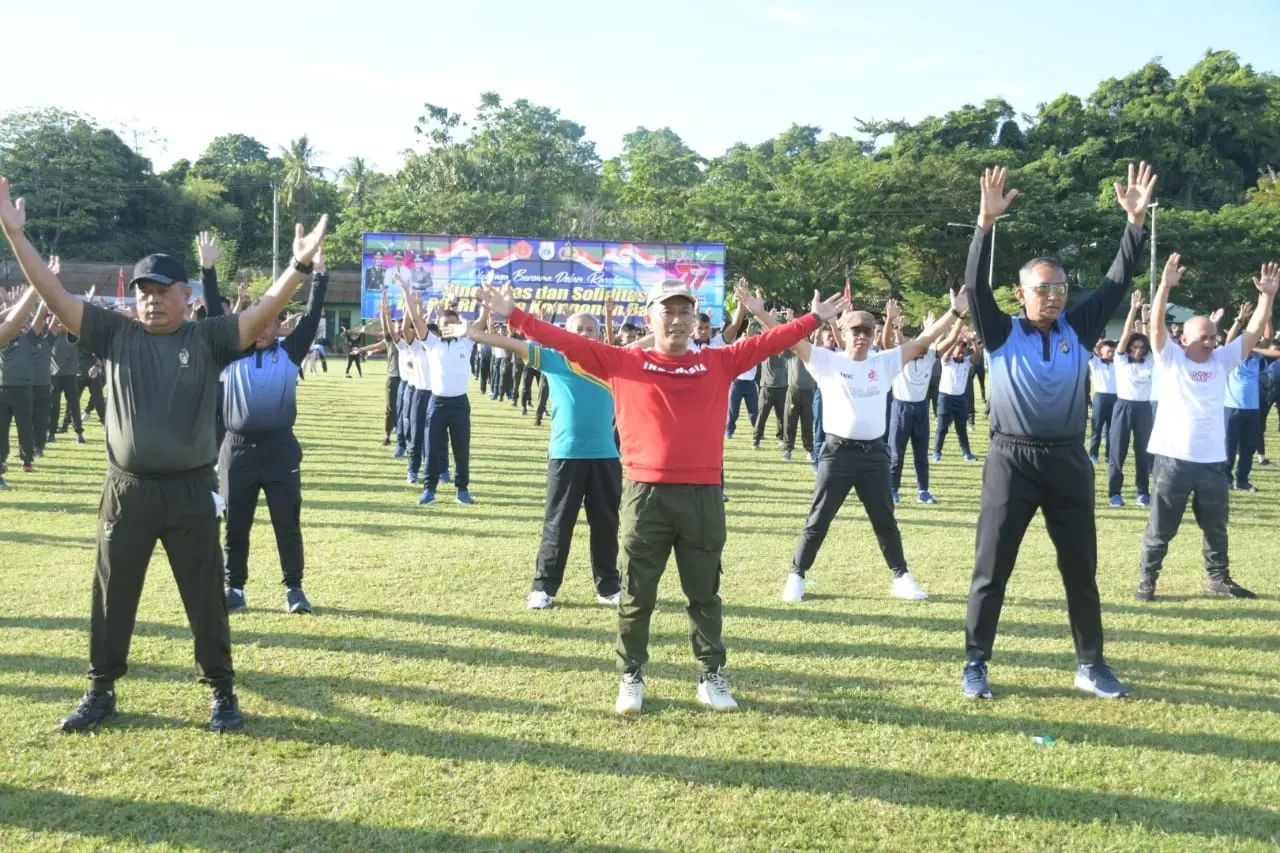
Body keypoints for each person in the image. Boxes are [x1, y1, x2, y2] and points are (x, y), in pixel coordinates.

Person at [1, 173, 328, 733]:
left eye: (163, 292)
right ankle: (101, 690)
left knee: (204, 594)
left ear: (187, 297)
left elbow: (261, 313)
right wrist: (14, 236)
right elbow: (54, 294)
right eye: (144, 292)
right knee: (112, 591)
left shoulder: (207, 339)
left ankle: (221, 691)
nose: (151, 301)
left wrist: (298, 268)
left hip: (190, 490)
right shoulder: (112, 332)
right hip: (127, 490)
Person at [476, 277, 847, 716]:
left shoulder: (719, 361)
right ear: (650, 317)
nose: (676, 319)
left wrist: (812, 319)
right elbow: (561, 340)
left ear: (695, 320)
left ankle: (710, 675)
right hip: (644, 495)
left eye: (684, 311)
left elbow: (771, 340)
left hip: (703, 495)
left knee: (704, 593)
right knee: (636, 593)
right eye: (667, 311)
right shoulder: (622, 361)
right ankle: (631, 674)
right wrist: (513, 316)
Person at [961, 163, 1156, 702]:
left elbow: (1117, 283)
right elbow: (974, 284)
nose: (1053, 297)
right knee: (991, 569)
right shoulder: (999, 332)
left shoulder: (1079, 327)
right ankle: (976, 662)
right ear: (1021, 294)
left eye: (1060, 288)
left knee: (1080, 569)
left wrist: (1134, 225)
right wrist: (984, 224)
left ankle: (1090, 664)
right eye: (1042, 289)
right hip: (1011, 460)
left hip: (1068, 461)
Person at [752, 287, 969, 604]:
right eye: (855, 330)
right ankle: (796, 576)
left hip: (874, 456)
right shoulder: (826, 360)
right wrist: (759, 311)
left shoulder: (884, 362)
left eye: (868, 330)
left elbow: (923, 341)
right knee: (819, 518)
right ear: (841, 330)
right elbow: (786, 337)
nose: (862, 336)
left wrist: (954, 313)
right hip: (837, 454)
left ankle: (901, 576)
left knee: (885, 521)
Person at [1136, 255, 1275, 600]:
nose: (1212, 343)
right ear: (1184, 339)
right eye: (1205, 338)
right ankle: (1147, 580)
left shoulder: (1222, 361)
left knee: (1216, 525)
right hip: (1173, 459)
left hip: (1212, 460)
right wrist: (1165, 287)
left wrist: (1267, 297)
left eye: (1214, 338)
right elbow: (1155, 326)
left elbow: (1254, 331)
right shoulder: (1171, 359)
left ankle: (1218, 578)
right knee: (1161, 527)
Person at [467, 309, 624, 608]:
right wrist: (478, 324)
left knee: (606, 524)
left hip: (605, 456)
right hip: (566, 456)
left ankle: (608, 587)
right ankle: (544, 587)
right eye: (579, 328)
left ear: (600, 334)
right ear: (565, 333)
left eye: (591, 330)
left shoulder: (611, 361)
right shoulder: (553, 358)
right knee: (558, 523)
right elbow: (505, 343)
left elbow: (649, 343)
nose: (586, 334)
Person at [220, 252, 329, 616]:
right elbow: (213, 318)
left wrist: (320, 277)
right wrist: (207, 270)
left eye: (271, 322)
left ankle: (294, 589)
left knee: (287, 522)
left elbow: (312, 317)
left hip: (280, 450)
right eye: (258, 322)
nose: (264, 329)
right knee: (236, 524)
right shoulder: (230, 353)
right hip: (236, 452)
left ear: (279, 325)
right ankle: (234, 588)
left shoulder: (290, 353)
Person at [401, 289, 474, 505]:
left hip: (460, 403)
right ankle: (429, 490)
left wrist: (486, 306)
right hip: (437, 403)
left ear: (459, 324)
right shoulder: (431, 343)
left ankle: (462, 490)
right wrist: (407, 293)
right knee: (432, 448)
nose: (448, 327)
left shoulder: (466, 342)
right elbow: (414, 319)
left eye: (452, 323)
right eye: (444, 324)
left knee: (461, 448)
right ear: (439, 326)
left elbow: (479, 324)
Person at [888, 303, 958, 503]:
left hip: (920, 408)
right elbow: (886, 342)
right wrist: (891, 322)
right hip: (900, 407)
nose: (920, 348)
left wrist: (959, 318)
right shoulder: (901, 357)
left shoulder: (929, 356)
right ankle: (893, 489)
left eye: (922, 345)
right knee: (896, 453)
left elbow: (951, 339)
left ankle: (923, 491)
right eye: (915, 345)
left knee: (921, 453)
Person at [1108, 290, 1155, 507]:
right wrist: (1133, 308)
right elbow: (1127, 333)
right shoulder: (1121, 360)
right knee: (1118, 452)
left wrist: (1145, 320)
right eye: (1134, 347)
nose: (1137, 350)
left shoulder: (1149, 361)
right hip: (1123, 406)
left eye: (1141, 348)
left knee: (1143, 452)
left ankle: (1142, 492)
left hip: (1144, 409)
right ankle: (1114, 493)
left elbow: (1150, 338)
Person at [0, 282, 41, 485]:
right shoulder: (2, 339)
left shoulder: (28, 339)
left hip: (23, 389)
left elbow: (38, 321)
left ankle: (27, 459)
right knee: (1, 430)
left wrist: (37, 298)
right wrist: (11, 303)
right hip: (2, 390)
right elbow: (9, 321)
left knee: (25, 427)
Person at [1223, 300, 1262, 491]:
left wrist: (1265, 315)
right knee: (1229, 446)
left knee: (1248, 447)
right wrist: (1240, 320)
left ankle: (1242, 480)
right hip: (1232, 406)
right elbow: (1229, 341)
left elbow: (1268, 338)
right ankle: (1226, 478)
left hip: (1252, 408)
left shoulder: (1256, 359)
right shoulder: (1233, 358)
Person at [933, 330, 980, 462]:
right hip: (945, 398)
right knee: (942, 427)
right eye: (959, 352)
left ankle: (967, 453)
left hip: (959, 398)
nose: (961, 354)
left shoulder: (966, 362)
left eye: (963, 352)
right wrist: (956, 340)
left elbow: (977, 355)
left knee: (961, 428)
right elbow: (947, 354)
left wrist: (973, 341)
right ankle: (937, 452)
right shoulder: (946, 361)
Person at [48, 314, 86, 445]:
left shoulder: (73, 335)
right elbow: (51, 325)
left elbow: (77, 325)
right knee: (54, 406)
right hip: (54, 376)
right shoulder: (52, 336)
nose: (59, 323)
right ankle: (51, 432)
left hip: (70, 375)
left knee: (74, 406)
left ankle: (79, 433)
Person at [1087, 339, 1117, 464]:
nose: (1111, 354)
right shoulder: (1096, 362)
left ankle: (1109, 456)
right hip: (1100, 398)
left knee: (1112, 429)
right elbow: (1088, 351)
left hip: (1115, 398)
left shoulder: (1118, 363)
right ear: (1102, 352)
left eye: (1113, 352)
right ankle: (1093, 455)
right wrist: (1098, 345)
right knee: (1097, 428)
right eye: (1108, 351)